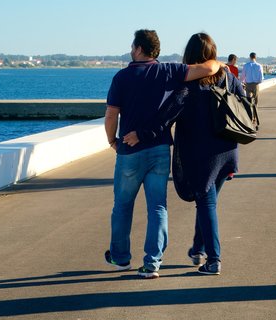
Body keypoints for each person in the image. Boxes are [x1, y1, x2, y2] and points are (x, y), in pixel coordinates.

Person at [103, 29, 221, 279]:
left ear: (138, 49)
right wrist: (218, 60)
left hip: (129, 150)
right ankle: (152, 263)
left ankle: (121, 257)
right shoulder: (170, 71)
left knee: (122, 206)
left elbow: (112, 114)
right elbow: (209, 69)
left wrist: (112, 141)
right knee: (157, 207)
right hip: (158, 150)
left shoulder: (122, 77)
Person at [162, 33, 245, 275]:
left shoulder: (189, 85)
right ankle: (198, 249)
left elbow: (168, 113)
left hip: (201, 155)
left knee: (206, 203)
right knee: (208, 202)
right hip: (227, 150)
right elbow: (243, 101)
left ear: (190, 55)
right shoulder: (228, 77)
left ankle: (214, 259)